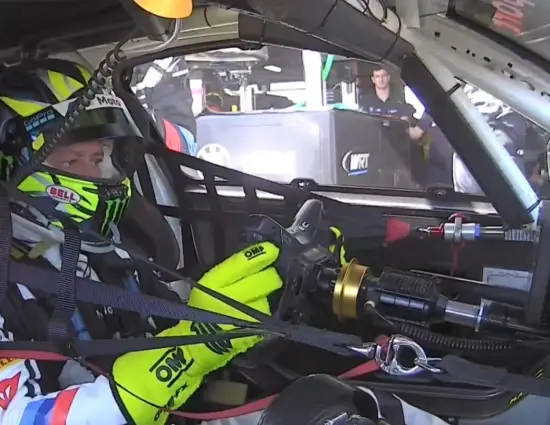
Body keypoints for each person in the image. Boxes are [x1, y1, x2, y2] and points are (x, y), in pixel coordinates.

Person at [0, 58, 283, 425]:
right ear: (14, 163)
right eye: (72, 161)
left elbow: (168, 321)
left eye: (98, 158)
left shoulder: (110, 251)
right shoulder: (11, 281)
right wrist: (184, 356)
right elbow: (17, 417)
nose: (95, 173)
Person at [357, 67, 428, 142]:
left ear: (388, 77)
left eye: (384, 75)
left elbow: (413, 129)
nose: (381, 79)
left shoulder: (402, 103)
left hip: (398, 145)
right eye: (377, 76)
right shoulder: (365, 103)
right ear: (373, 79)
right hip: (373, 144)